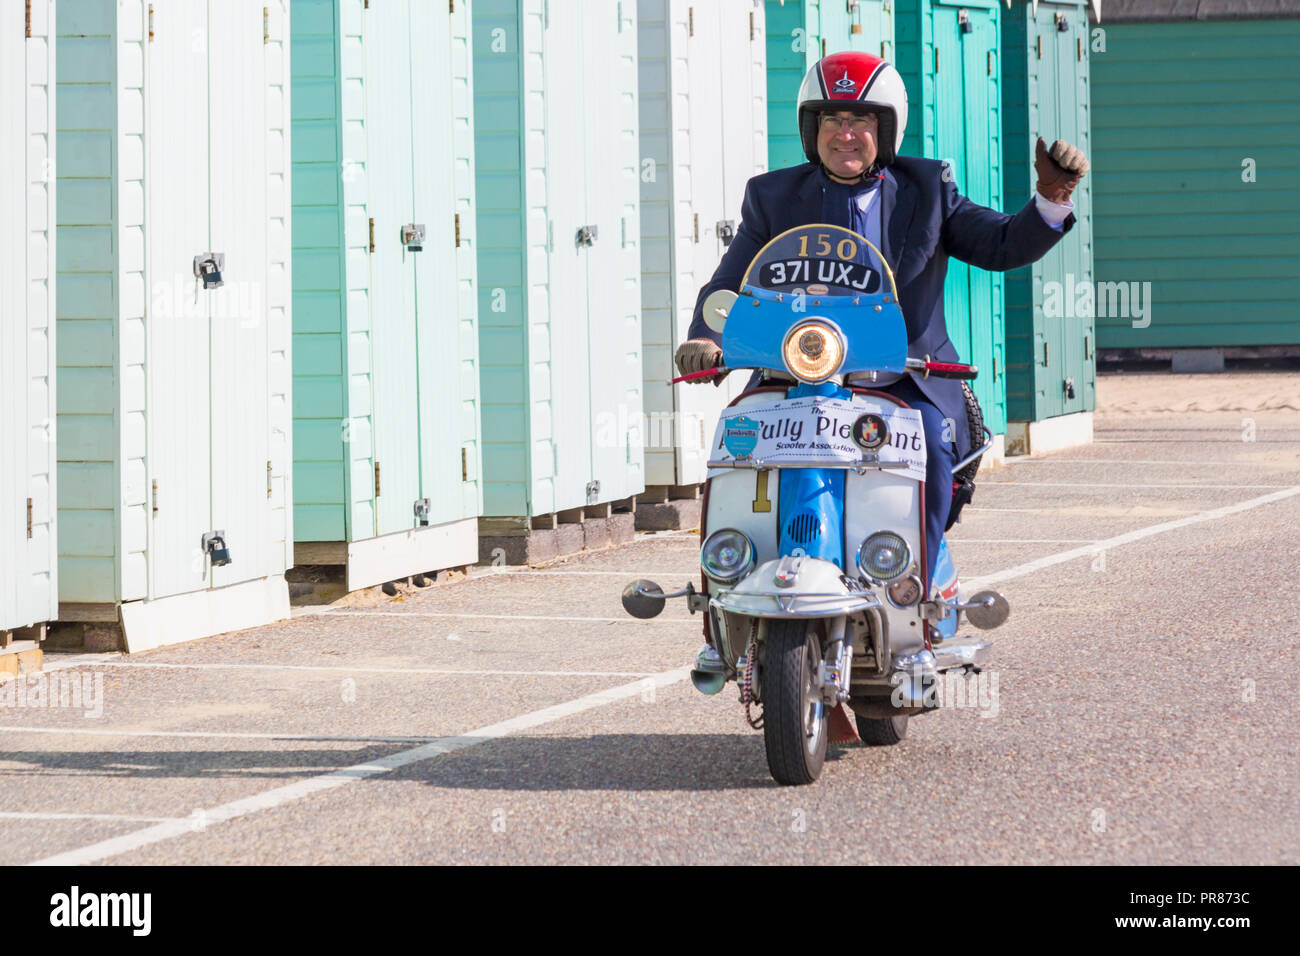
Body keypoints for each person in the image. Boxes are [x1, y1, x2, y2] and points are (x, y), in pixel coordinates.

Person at [675, 51, 1088, 593]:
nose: (844, 134)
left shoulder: (927, 188)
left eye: (861, 120)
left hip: (901, 375)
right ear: (811, 128)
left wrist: (1051, 201)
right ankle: (728, 582)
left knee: (935, 447)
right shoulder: (772, 197)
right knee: (739, 445)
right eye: (831, 120)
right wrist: (705, 338)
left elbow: (1001, 243)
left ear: (886, 129)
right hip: (796, 376)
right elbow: (732, 282)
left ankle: (914, 588)